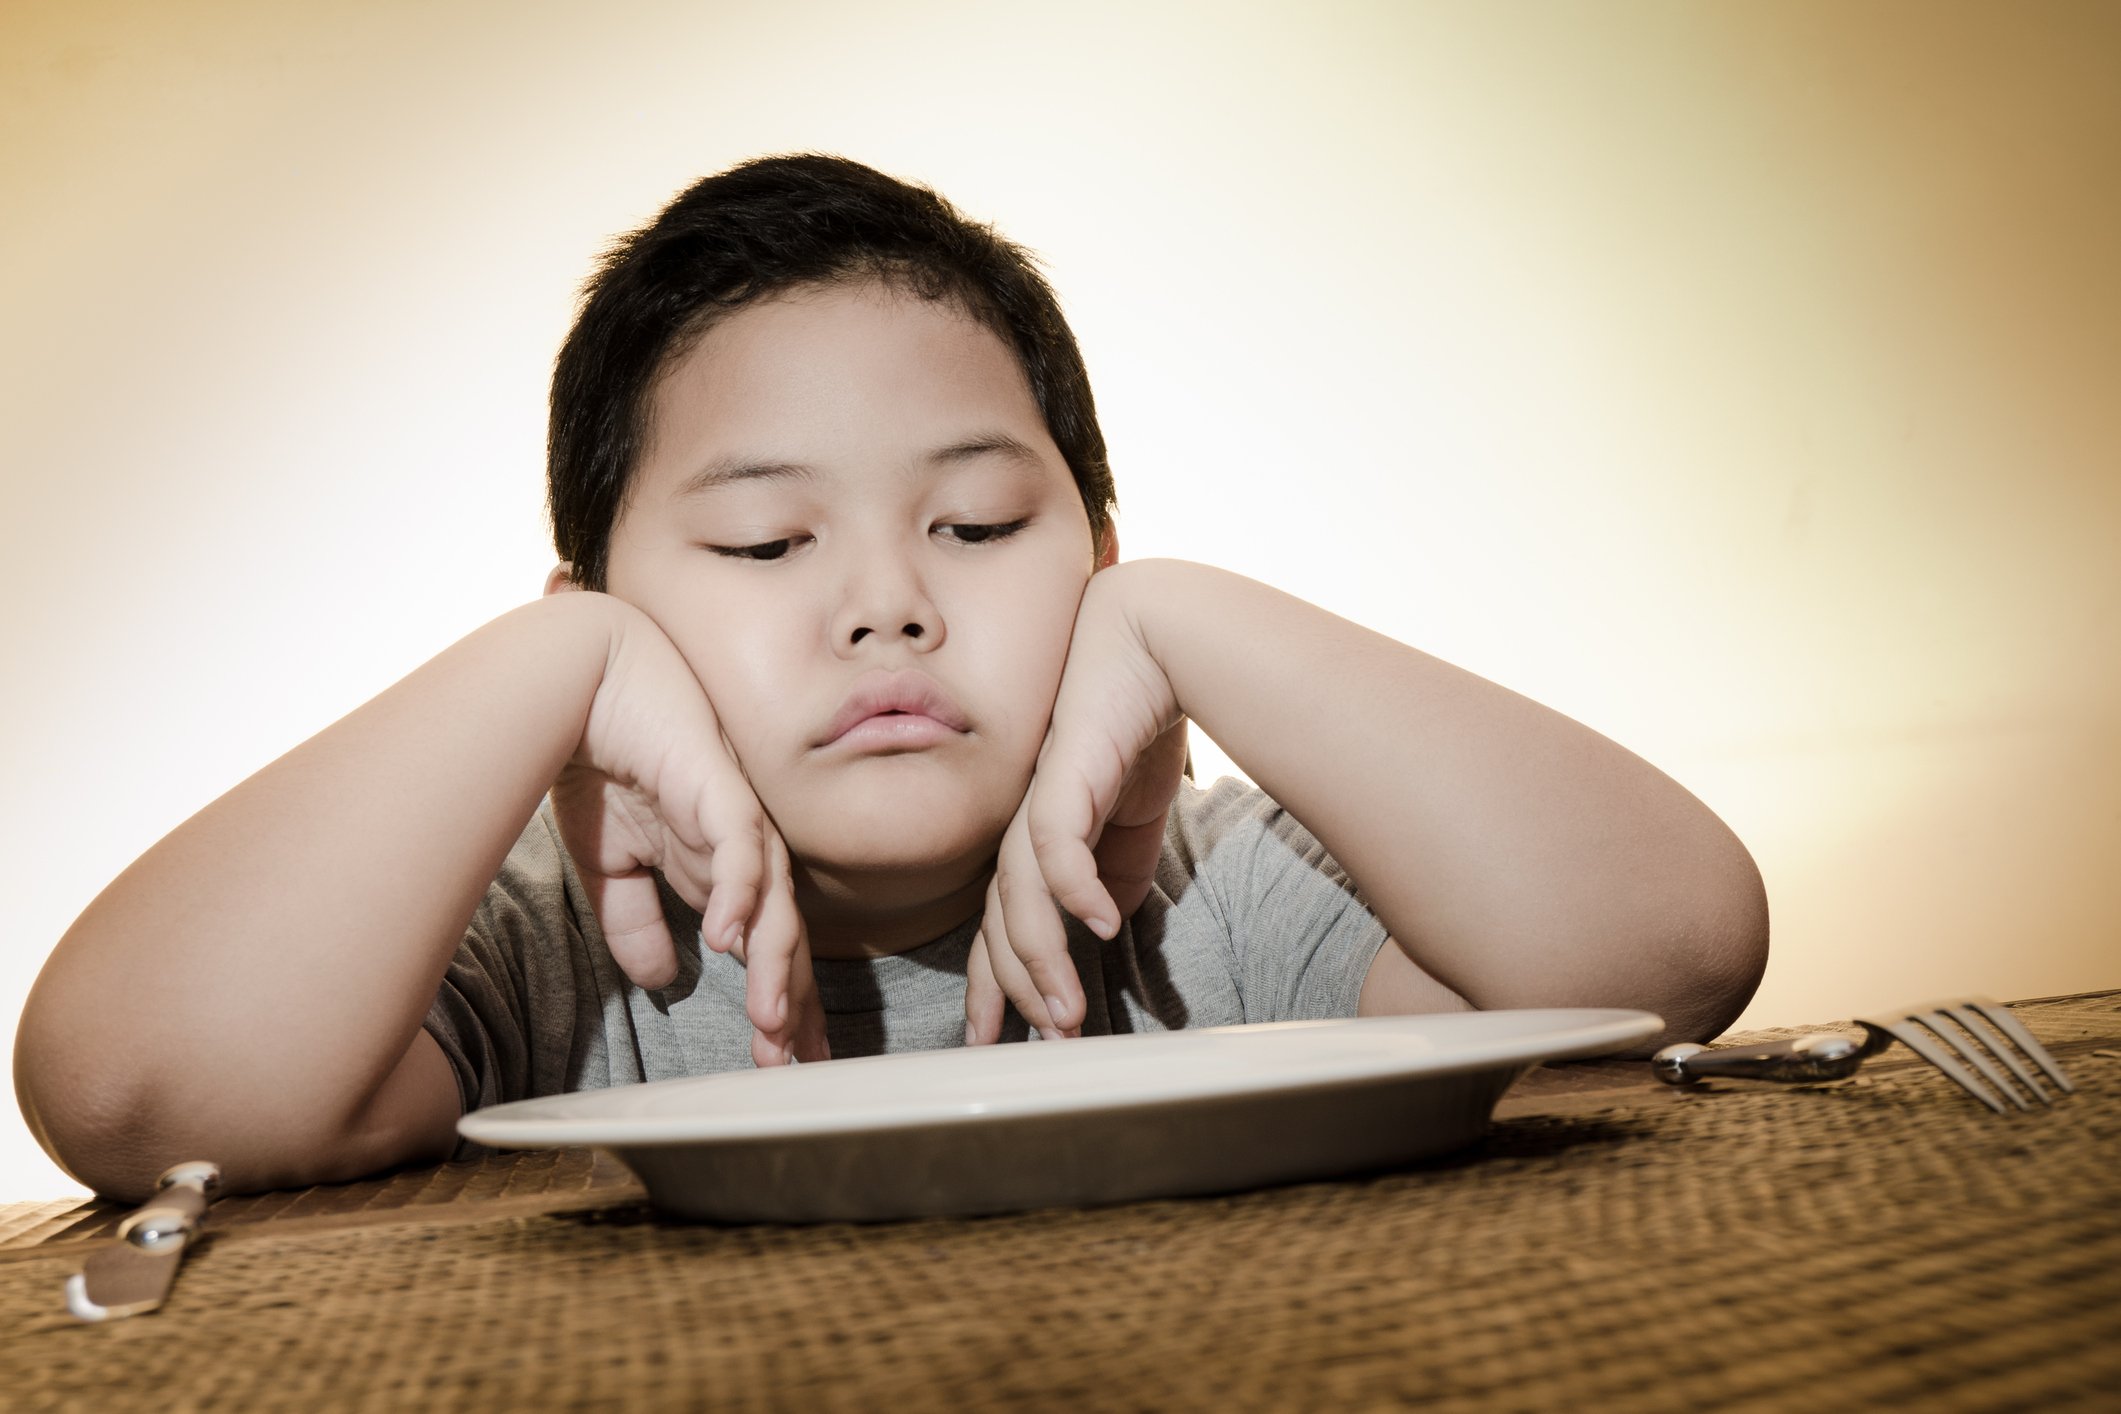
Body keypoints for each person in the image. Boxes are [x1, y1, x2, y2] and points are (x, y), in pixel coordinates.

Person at [14, 154, 1769, 1204]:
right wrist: (544, 669)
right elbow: (131, 1099)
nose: (886, 605)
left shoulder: (1209, 894)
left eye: (984, 523)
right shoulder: (544, 957)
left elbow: (1671, 952)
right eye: (767, 547)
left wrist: (1177, 616)